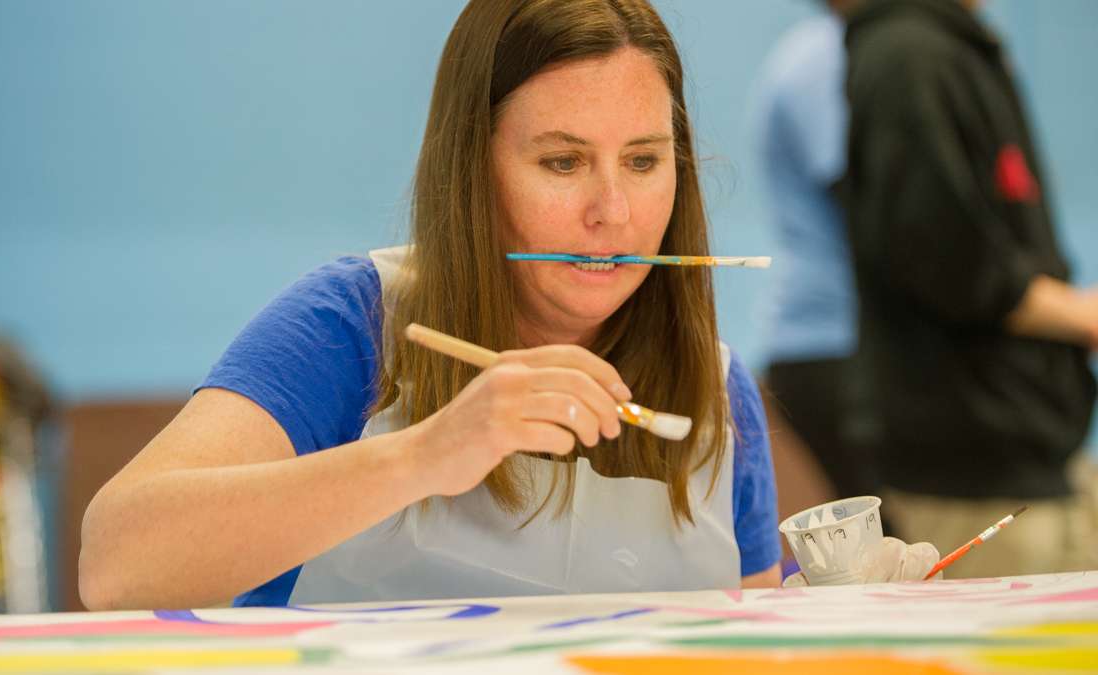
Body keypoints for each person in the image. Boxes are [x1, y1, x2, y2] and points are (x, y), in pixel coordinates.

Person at [79, 0, 935, 611]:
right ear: (471, 171)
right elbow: (115, 563)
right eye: (562, 163)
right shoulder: (352, 325)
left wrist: (833, 619)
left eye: (643, 161)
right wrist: (425, 454)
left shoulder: (714, 389)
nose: (613, 212)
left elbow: (738, 637)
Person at [839, 0, 1098, 577]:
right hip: (975, 458)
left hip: (1023, 443)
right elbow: (946, 259)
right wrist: (1082, 316)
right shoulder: (908, 55)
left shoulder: (945, 48)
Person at [752, 2, 886, 529]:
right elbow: (877, 213)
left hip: (838, 346)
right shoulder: (825, 57)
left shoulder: (827, 51)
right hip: (834, 347)